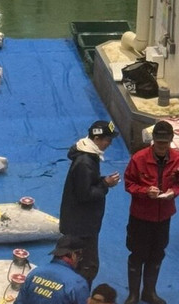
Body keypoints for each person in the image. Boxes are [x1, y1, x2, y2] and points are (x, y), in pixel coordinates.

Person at [123, 119, 179, 304]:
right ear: (153, 140)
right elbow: (129, 183)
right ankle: (133, 295)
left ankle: (149, 292)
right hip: (140, 216)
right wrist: (145, 191)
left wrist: (173, 192)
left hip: (163, 217)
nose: (161, 147)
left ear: (171, 140)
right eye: (158, 143)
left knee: (157, 253)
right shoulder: (138, 159)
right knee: (137, 254)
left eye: (165, 143)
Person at [60, 120, 122, 284]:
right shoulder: (85, 162)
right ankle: (79, 294)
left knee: (76, 264)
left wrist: (102, 181)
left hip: (79, 222)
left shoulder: (88, 157)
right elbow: (85, 195)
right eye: (107, 140)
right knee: (88, 266)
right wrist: (105, 184)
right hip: (82, 226)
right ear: (96, 139)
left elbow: (85, 185)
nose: (109, 144)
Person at [13, 235, 90, 304]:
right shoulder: (78, 283)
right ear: (74, 255)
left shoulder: (35, 272)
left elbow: (19, 302)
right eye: (80, 256)